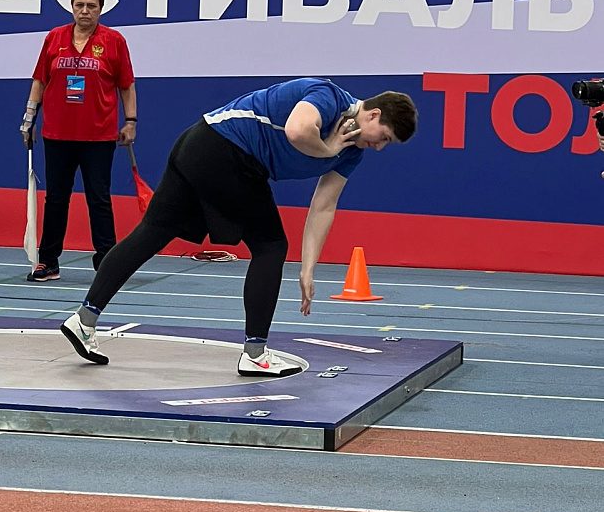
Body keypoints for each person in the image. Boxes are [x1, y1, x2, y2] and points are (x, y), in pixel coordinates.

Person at [60, 78, 417, 375]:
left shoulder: (352, 152)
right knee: (270, 246)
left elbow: (324, 206)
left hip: (205, 147)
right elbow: (297, 130)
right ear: (373, 114)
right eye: (384, 136)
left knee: (153, 232)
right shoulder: (329, 97)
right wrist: (328, 148)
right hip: (223, 149)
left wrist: (309, 268)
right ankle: (256, 355)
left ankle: (84, 318)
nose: (379, 147)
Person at [21, 0, 137, 282]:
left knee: (99, 199)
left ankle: (107, 263)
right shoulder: (54, 38)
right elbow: (40, 80)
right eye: (80, 5)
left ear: (101, 8)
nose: (85, 11)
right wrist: (29, 118)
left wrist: (130, 121)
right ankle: (48, 261)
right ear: (71, 6)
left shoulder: (114, 41)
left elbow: (126, 85)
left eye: (91, 6)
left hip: (98, 136)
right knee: (56, 199)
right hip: (57, 134)